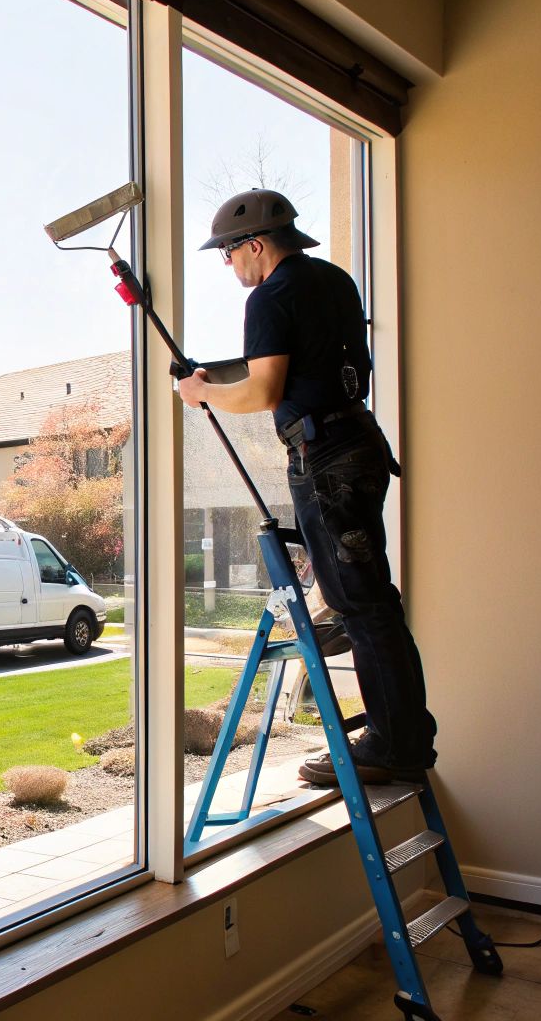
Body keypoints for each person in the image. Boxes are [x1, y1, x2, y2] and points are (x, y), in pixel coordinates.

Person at [175, 189, 436, 788]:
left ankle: (394, 744)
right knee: (370, 602)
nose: (227, 264)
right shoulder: (333, 281)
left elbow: (265, 392)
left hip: (326, 461)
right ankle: (401, 726)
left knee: (366, 608)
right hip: (361, 446)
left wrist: (204, 393)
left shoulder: (269, 296)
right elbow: (303, 369)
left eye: (228, 252)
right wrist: (220, 376)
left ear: (256, 245)